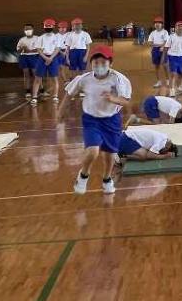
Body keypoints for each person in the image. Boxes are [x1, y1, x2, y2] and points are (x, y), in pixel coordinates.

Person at [56, 45, 132, 194]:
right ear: (91, 63)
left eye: (103, 62)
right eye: (96, 62)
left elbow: (126, 101)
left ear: (110, 63)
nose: (99, 66)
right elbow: (69, 94)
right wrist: (61, 112)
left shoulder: (119, 79)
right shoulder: (84, 79)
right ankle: (83, 175)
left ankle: (107, 179)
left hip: (111, 120)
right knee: (93, 151)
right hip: (91, 120)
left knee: (110, 154)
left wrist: (113, 99)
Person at [111, 127, 180, 180]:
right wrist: (164, 156)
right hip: (125, 139)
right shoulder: (161, 143)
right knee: (143, 156)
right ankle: (120, 155)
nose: (161, 152)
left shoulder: (164, 138)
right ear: (167, 148)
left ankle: (122, 154)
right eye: (165, 152)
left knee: (146, 151)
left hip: (125, 137)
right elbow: (149, 155)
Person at [37, 18, 64, 99]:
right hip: (43, 57)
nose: (48, 27)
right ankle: (39, 92)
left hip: (53, 57)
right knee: (39, 76)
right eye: (46, 26)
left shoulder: (57, 37)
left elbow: (58, 48)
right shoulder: (41, 37)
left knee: (54, 77)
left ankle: (55, 95)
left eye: (50, 26)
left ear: (53, 26)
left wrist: (51, 58)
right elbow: (39, 49)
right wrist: (45, 58)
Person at [16, 23, 40, 102]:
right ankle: (27, 91)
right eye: (26, 29)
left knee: (36, 74)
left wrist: (31, 50)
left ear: (32, 30)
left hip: (34, 57)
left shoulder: (37, 38)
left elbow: (41, 48)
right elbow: (18, 50)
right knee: (26, 74)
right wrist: (22, 48)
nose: (27, 30)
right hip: (24, 57)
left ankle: (41, 89)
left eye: (29, 29)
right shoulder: (22, 40)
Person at [146, 17, 169, 90]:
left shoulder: (165, 32)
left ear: (162, 24)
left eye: (159, 23)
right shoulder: (152, 33)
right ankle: (159, 81)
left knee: (165, 65)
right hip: (155, 50)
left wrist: (161, 46)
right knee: (156, 66)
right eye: (156, 23)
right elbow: (150, 42)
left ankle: (168, 80)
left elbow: (166, 42)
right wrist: (158, 45)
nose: (157, 24)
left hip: (163, 50)